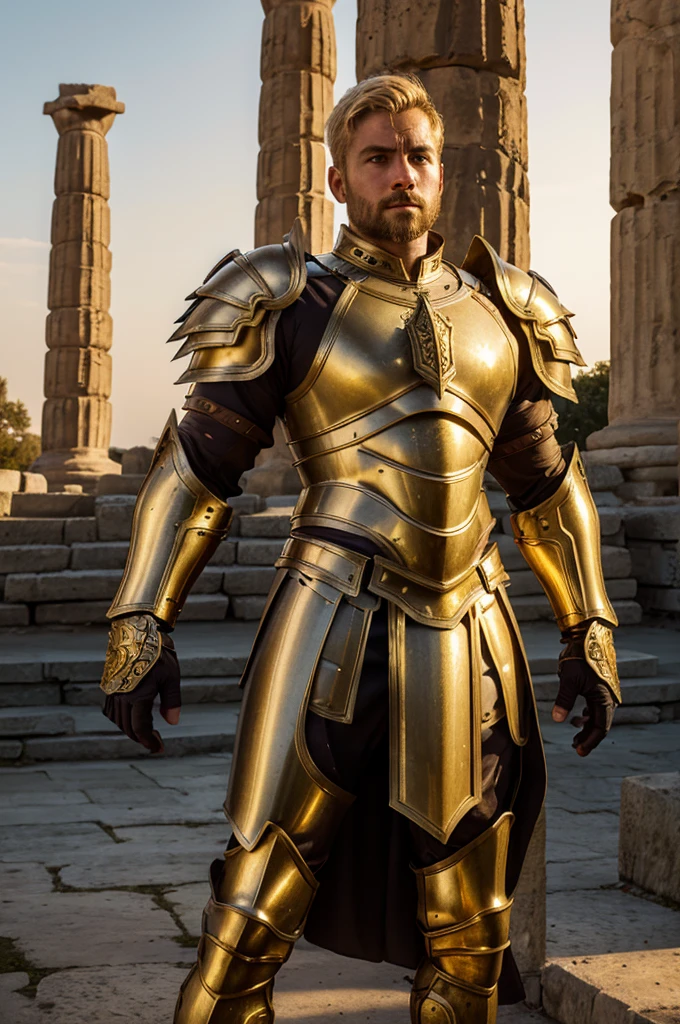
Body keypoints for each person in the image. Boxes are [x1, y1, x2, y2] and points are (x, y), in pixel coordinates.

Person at [100, 73, 621, 1024]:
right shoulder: (285, 298)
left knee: (471, 936)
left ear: (442, 170)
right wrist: (141, 623)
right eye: (377, 158)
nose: (403, 176)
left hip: (471, 634)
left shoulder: (503, 308)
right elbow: (196, 472)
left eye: (418, 156)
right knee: (251, 920)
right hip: (330, 624)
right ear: (338, 178)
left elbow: (548, 486)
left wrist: (589, 626)